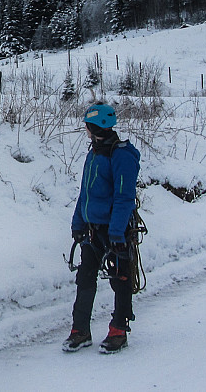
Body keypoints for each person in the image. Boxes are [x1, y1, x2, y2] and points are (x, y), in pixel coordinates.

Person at [63, 102, 141, 354]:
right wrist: (78, 223)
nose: (85, 129)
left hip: (114, 230)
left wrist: (117, 232)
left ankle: (118, 330)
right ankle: (80, 331)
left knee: (120, 279)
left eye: (87, 125)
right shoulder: (94, 153)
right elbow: (84, 193)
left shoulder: (122, 156)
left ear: (94, 126)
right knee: (85, 277)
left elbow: (124, 197)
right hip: (92, 230)